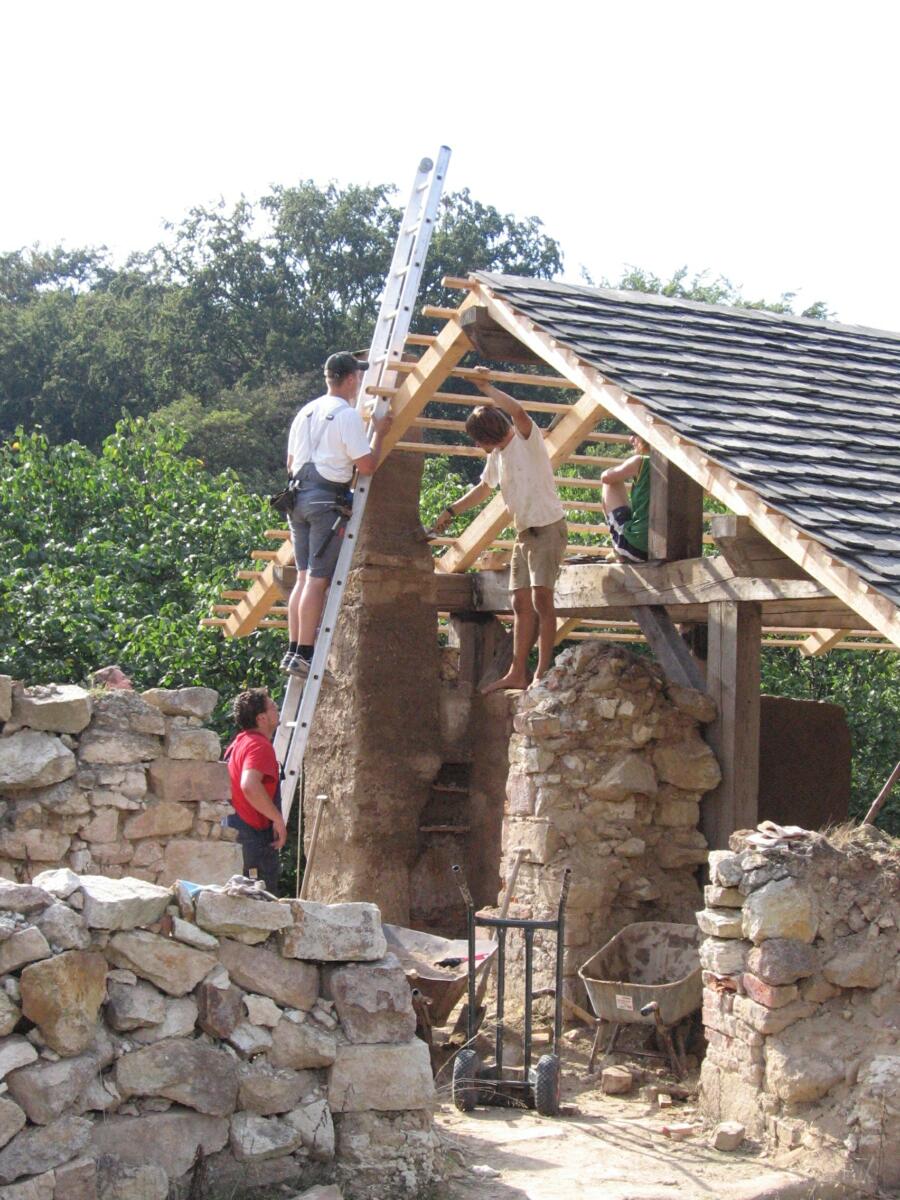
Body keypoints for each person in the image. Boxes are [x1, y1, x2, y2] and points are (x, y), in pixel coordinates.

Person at [432, 366, 567, 692]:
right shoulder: (498, 456)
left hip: (548, 529)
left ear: (486, 434)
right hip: (525, 534)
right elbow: (483, 489)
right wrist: (451, 510)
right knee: (520, 603)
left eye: (477, 439)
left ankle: (541, 672)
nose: (477, 445)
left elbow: (518, 412)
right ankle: (517, 672)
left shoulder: (526, 439)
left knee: (542, 601)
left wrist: (487, 387)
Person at [281, 352, 393, 678]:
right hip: (325, 503)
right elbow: (367, 465)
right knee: (317, 580)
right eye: (358, 377)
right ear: (351, 378)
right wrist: (379, 433)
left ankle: (293, 650)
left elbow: (291, 463)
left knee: (303, 577)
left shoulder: (305, 412)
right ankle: (305, 654)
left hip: (297, 499)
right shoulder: (346, 415)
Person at [224, 688, 286, 894]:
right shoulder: (259, 746)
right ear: (262, 718)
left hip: (238, 837)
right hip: (254, 842)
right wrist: (277, 819)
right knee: (261, 903)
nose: (277, 709)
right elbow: (249, 785)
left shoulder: (238, 743)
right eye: (273, 707)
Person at [600, 433, 651, 563]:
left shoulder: (641, 461)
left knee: (610, 483)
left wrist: (615, 469)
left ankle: (619, 549)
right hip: (672, 549)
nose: (631, 439)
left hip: (637, 549)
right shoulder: (678, 464)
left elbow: (606, 477)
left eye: (635, 434)